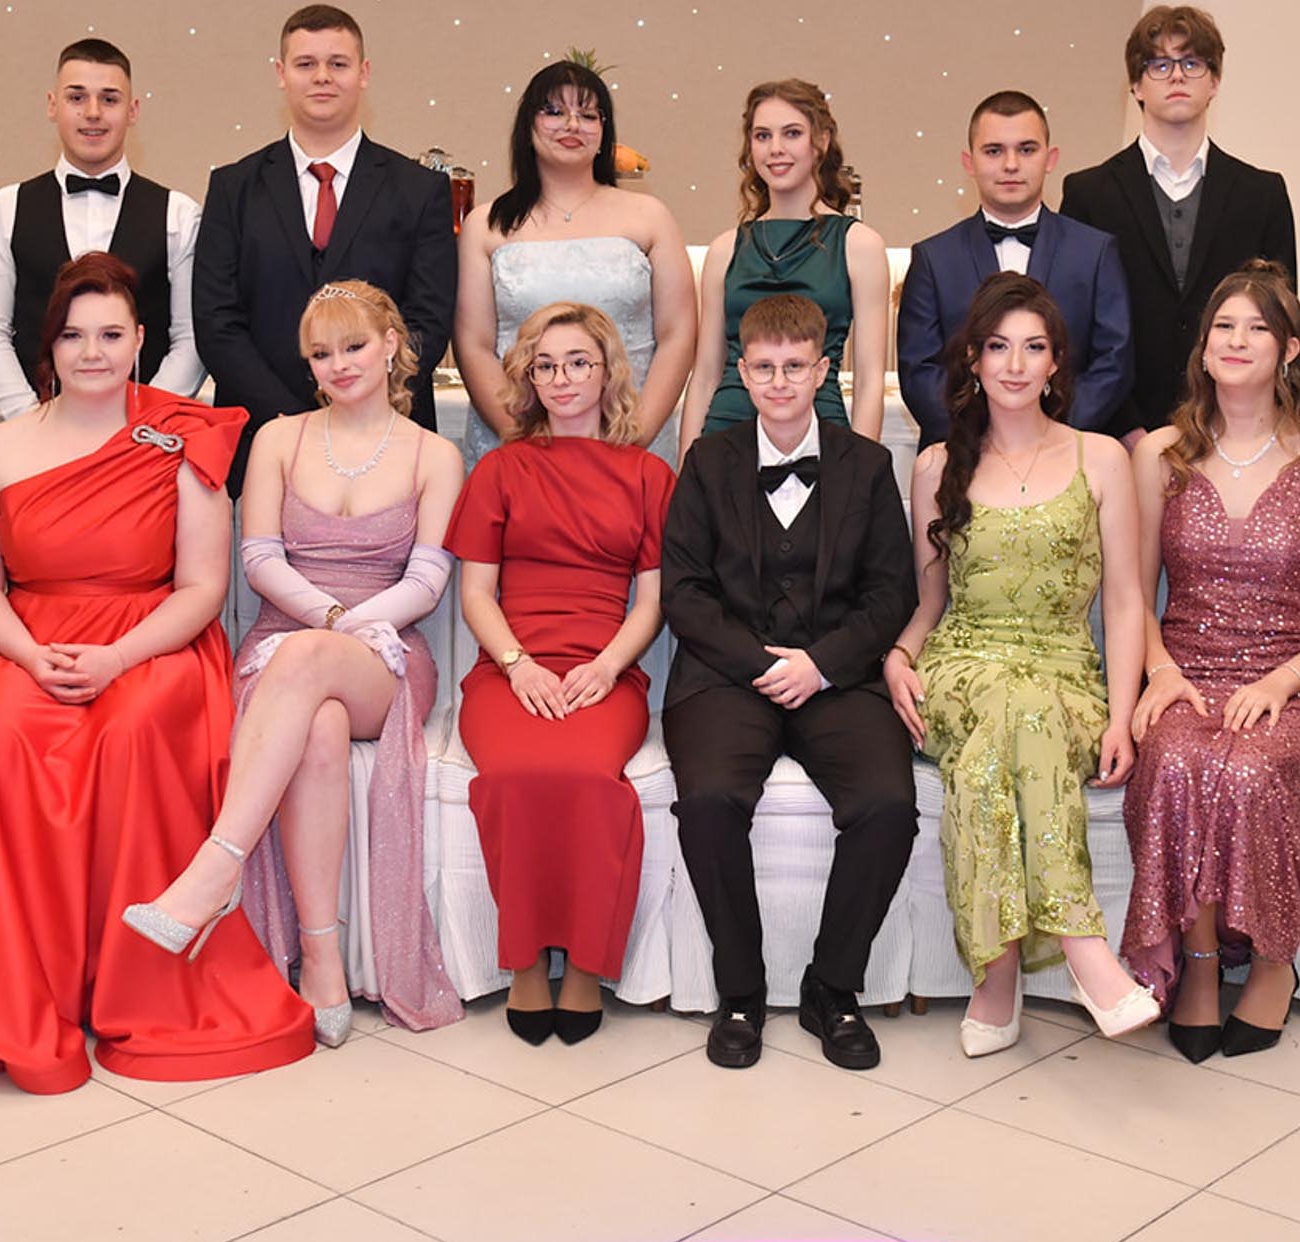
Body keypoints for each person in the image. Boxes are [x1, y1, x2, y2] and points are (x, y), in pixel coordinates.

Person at [0, 253, 311, 1091]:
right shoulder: (0, 446)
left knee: (132, 728)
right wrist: (28, 654)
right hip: (30, 637)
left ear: (140, 341)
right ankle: (13, 984)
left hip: (153, 640)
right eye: (73, 336)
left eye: (109, 334)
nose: (91, 352)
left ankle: (135, 970)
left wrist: (118, 657)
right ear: (49, 346)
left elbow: (202, 589)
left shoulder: (183, 437)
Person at [124, 280, 466, 1041]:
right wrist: (328, 622)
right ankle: (322, 962)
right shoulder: (280, 438)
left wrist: (348, 629)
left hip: (387, 652)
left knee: (315, 664)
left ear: (391, 345)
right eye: (321, 353)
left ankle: (216, 869)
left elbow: (426, 583)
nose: (338, 364)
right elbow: (259, 560)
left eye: (353, 346)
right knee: (319, 725)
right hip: (284, 644)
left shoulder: (435, 453)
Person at [884, 276, 1158, 1051]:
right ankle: (1086, 951)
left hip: (1065, 673)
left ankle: (997, 976)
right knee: (1009, 708)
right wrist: (898, 657)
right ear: (973, 358)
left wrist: (1122, 715)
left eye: (1033, 347)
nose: (1014, 364)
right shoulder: (936, 465)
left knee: (997, 747)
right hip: (960, 667)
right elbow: (929, 603)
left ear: (1056, 362)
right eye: (998, 346)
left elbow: (1126, 602)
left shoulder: (1102, 457)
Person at [1120, 262, 1300, 1062]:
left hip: (1299, 679)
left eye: (1257, 328)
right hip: (1188, 669)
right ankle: (1198, 963)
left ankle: (1272, 959)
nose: (1236, 340)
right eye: (1223, 326)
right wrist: (1161, 670)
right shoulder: (1161, 454)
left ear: (1289, 348)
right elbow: (1132, 595)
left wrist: (1281, 681)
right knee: (1175, 759)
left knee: (1248, 768)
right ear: (1203, 346)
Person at [662, 295, 919, 1071]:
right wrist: (761, 663)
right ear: (742, 372)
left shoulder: (867, 465)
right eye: (764, 367)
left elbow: (891, 596)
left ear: (822, 370)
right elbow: (684, 593)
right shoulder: (707, 462)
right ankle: (740, 989)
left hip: (838, 676)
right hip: (727, 674)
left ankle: (832, 987)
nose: (779, 381)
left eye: (795, 366)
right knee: (709, 799)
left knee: (887, 805)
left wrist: (821, 663)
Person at [449, 303, 676, 1044]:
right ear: (529, 378)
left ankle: (583, 963)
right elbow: (476, 594)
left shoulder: (648, 474)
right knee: (514, 773)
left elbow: (653, 601)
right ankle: (524, 959)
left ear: (607, 371)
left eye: (579, 362)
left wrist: (609, 666)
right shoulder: (500, 468)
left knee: (587, 777)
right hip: (509, 668)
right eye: (545, 365)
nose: (562, 378)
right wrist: (517, 665)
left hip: (604, 672)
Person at [194, 5, 460, 491]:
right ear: (281, 74)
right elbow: (216, 322)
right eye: (306, 64)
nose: (322, 77)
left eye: (338, 63)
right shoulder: (232, 188)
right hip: (262, 440)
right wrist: (293, 421)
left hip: (388, 441)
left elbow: (429, 318)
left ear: (364, 73)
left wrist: (361, 409)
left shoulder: (420, 191)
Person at [1057, 6, 1296, 439]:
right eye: (1160, 65)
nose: (1177, 77)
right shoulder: (1088, 193)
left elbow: (1277, 321)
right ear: (1136, 84)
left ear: (1215, 81)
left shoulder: (1262, 194)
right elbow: (1074, 324)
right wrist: (1124, 426)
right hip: (1117, 431)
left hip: (1234, 427)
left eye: (1192, 63)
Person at [456, 61, 694, 465]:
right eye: (554, 111)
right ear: (527, 126)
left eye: (587, 115)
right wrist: (523, 440)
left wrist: (636, 435)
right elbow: (473, 344)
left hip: (631, 442)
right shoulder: (487, 224)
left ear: (604, 131)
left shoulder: (650, 216)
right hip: (518, 448)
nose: (572, 125)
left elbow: (678, 334)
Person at [0, 38, 205, 420]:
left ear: (133, 110)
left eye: (109, 99)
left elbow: (191, 336)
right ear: (52, 105)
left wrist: (144, 421)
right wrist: (30, 421)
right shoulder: (4, 208)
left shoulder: (180, 214)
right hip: (33, 433)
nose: (93, 112)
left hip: (144, 435)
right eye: (76, 97)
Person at [899, 91, 1132, 442]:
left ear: (1050, 158)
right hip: (962, 452)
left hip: (1067, 451)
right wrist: (985, 440)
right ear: (969, 162)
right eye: (994, 151)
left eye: (1026, 149)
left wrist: (1049, 437)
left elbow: (1114, 363)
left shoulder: (1096, 251)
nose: (1011, 165)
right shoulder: (933, 258)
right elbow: (919, 372)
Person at [681, 80, 890, 453]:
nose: (775, 148)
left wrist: (860, 472)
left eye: (792, 133)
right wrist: (688, 468)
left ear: (821, 140)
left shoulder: (860, 245)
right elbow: (705, 376)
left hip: (821, 433)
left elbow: (870, 379)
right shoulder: (724, 250)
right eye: (762, 136)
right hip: (727, 434)